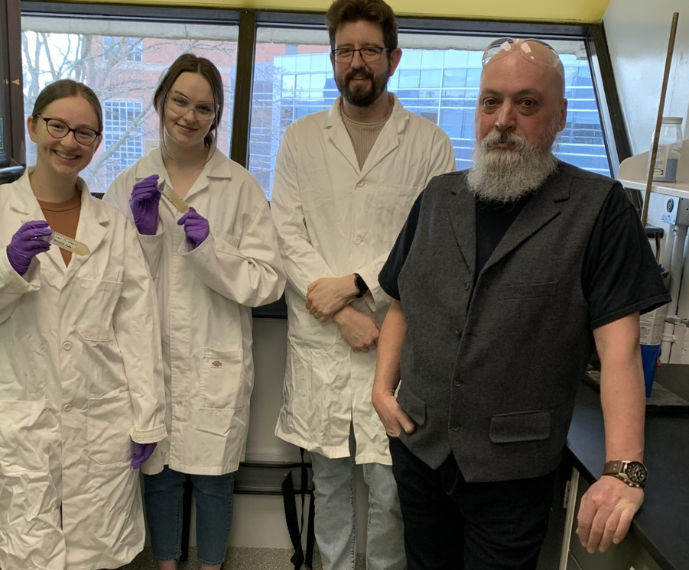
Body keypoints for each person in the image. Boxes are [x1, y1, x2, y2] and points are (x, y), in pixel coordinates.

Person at [373, 37, 671, 570]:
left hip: (513, 468)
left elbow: (621, 350)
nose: (504, 119)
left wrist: (623, 469)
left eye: (526, 103)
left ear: (557, 117)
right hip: (421, 448)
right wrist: (380, 387)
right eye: (491, 102)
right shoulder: (439, 198)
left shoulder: (597, 211)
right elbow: (400, 300)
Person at [0, 79, 166, 570]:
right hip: (25, 415)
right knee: (30, 549)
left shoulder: (112, 225)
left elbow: (137, 327)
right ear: (34, 127)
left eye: (85, 133)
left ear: (98, 143)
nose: (69, 141)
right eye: (58, 126)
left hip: (101, 415)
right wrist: (5, 267)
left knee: (100, 548)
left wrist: (148, 415)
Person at [270, 0, 456, 567]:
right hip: (323, 337)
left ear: (393, 58)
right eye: (346, 50)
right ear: (331, 58)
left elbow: (429, 242)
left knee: (389, 493)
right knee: (327, 489)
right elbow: (285, 233)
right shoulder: (300, 139)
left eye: (370, 50)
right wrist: (340, 310)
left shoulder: (429, 144)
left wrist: (356, 284)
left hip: (394, 345)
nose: (358, 61)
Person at [104, 54, 285, 570]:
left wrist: (212, 249)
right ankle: (166, 565)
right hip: (152, 353)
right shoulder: (129, 183)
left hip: (216, 355)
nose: (189, 115)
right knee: (159, 476)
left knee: (214, 478)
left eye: (203, 107)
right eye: (180, 101)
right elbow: (114, 284)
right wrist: (142, 235)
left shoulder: (240, 187)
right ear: (161, 101)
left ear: (216, 116)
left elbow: (268, 282)